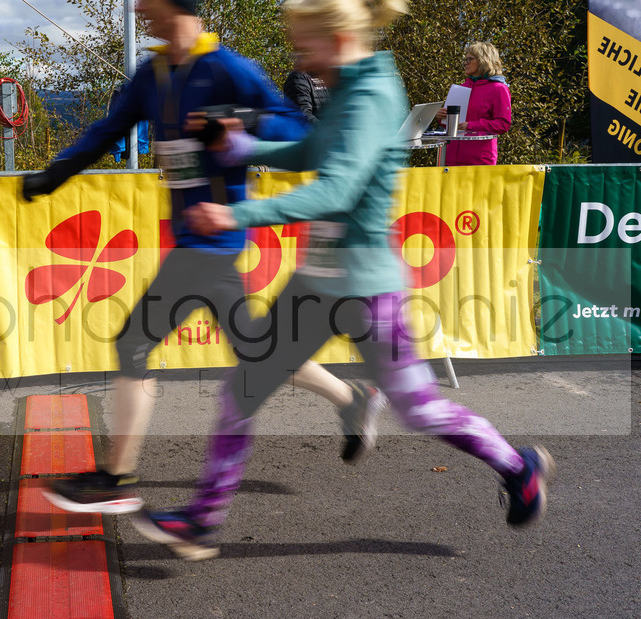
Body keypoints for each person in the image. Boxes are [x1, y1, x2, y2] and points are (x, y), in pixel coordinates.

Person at [132, 0, 554, 560]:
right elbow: (312, 149)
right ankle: (202, 521)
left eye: (304, 45)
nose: (298, 57)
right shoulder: (348, 85)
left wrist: (235, 215)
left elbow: (337, 189)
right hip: (316, 281)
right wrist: (244, 147)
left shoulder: (372, 94)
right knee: (243, 389)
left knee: (419, 409)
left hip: (367, 288)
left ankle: (516, 466)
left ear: (335, 38)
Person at [22, 0, 387, 516]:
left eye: (148, 2)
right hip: (195, 239)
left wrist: (240, 120)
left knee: (133, 342)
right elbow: (108, 130)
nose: (140, 9)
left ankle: (115, 478)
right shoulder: (152, 74)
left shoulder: (228, 68)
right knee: (258, 346)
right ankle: (353, 400)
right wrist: (56, 173)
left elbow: (298, 130)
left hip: (214, 238)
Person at [435, 41, 512, 165]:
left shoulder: (499, 89)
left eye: (470, 59)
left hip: (478, 162)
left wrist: (470, 126)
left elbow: (503, 124)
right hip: (450, 159)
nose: (465, 63)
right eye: (465, 59)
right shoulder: (461, 87)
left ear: (484, 60)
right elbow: (452, 126)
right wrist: (442, 117)